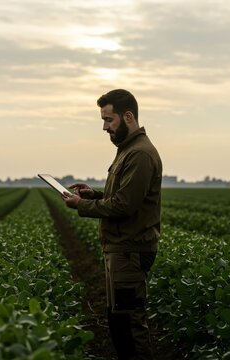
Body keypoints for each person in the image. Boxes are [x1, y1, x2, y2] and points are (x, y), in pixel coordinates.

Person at [62, 89, 162, 360]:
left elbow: (124, 206)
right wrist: (92, 194)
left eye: (108, 120)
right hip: (120, 249)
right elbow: (122, 196)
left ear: (127, 116)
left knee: (130, 325)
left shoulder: (139, 154)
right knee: (118, 323)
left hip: (130, 251)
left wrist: (80, 205)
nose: (104, 127)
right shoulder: (128, 151)